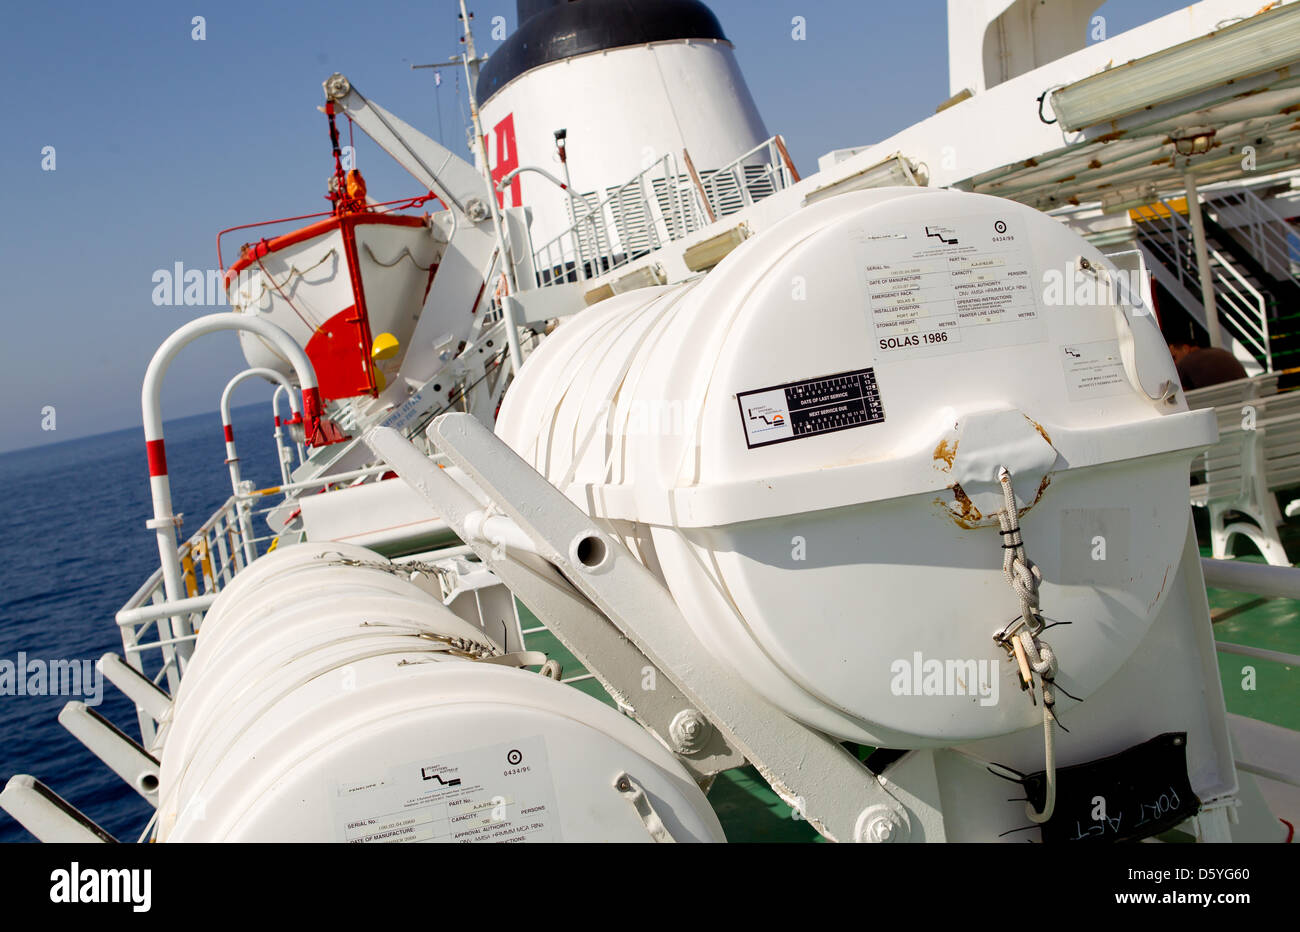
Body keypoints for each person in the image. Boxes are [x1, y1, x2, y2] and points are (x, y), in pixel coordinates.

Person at [1168, 340, 1248, 390]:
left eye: (1174, 357)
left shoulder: (1185, 363)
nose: (1174, 363)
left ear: (1185, 348)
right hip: (1244, 399)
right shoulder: (1221, 352)